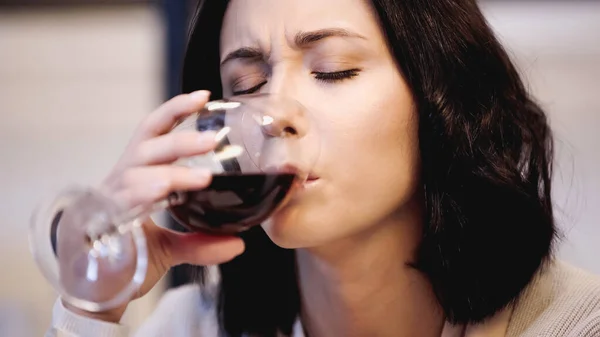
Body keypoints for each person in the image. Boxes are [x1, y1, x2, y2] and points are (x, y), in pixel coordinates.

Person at [46, 0, 600, 336]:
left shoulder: (575, 324)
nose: (274, 113)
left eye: (332, 70)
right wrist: (89, 305)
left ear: (439, 97)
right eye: (247, 85)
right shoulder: (190, 327)